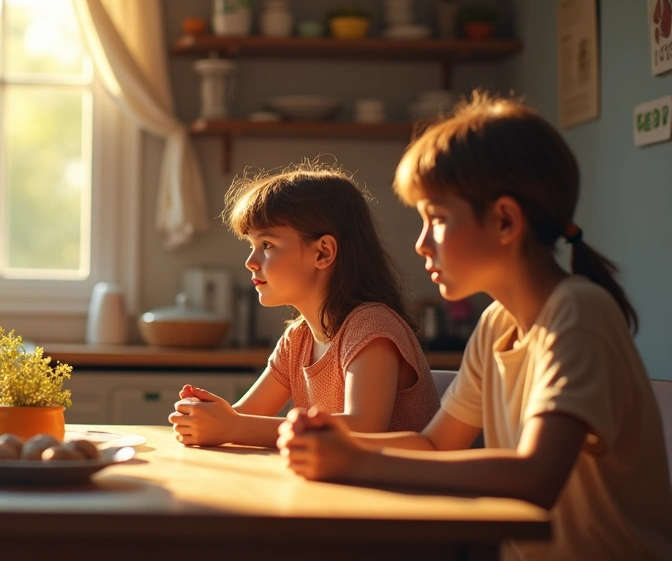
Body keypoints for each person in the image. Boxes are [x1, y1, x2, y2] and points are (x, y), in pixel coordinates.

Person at [278, 94, 672, 560]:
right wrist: (337, 442)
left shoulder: (579, 312)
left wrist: (360, 462)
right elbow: (434, 444)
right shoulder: (498, 323)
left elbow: (537, 478)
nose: (422, 244)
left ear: (505, 220)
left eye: (437, 219)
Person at [170, 163, 439, 447]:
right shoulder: (297, 340)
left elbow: (364, 428)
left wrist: (232, 427)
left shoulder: (371, 327)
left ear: (323, 252)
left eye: (267, 245)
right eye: (251, 245)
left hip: (400, 490)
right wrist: (207, 415)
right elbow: (243, 417)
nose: (250, 262)